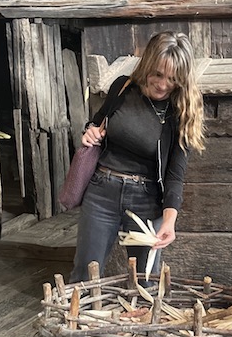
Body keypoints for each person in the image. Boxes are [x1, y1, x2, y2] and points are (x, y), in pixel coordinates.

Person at [70, 31, 205, 283]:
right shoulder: (122, 87)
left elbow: (175, 174)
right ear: (147, 65)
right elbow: (97, 123)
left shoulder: (182, 110)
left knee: (146, 281)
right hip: (102, 192)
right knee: (85, 274)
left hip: (146, 200)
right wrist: (90, 132)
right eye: (157, 74)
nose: (163, 85)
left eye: (172, 79)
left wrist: (169, 221)